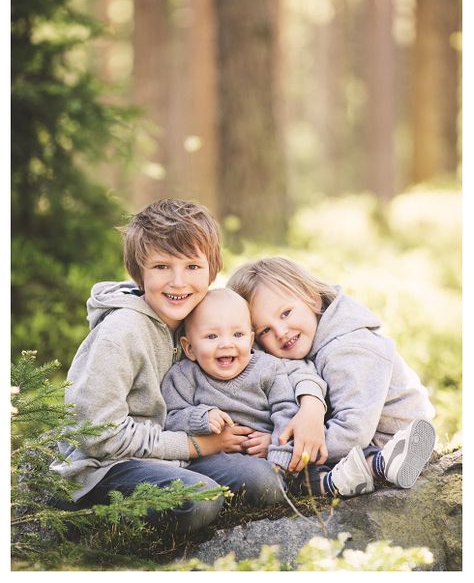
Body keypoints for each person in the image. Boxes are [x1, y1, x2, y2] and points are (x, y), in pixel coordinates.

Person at [50, 200, 327, 537]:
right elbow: (97, 436)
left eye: (192, 267)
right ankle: (89, 525)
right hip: (107, 469)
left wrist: (311, 406)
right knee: (198, 501)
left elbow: (280, 365)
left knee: (263, 481)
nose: (178, 282)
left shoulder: (200, 318)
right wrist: (199, 446)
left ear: (212, 270)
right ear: (139, 272)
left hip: (176, 456)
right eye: (162, 267)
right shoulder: (120, 334)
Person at [227, 256, 436, 499]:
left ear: (312, 298)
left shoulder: (347, 349)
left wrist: (280, 446)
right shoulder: (303, 345)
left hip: (388, 440)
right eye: (265, 330)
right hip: (349, 437)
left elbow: (353, 432)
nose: (281, 332)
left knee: (298, 478)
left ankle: (379, 465)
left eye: (285, 313)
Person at [162, 288, 382, 500]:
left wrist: (278, 456)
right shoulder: (183, 376)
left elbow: (285, 411)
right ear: (189, 347)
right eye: (211, 337)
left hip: (273, 450)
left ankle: (378, 464)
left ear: (250, 341)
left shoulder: (267, 368)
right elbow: (169, 418)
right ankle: (331, 481)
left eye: (237, 334)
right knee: (266, 477)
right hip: (217, 458)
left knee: (310, 462)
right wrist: (201, 417)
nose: (226, 344)